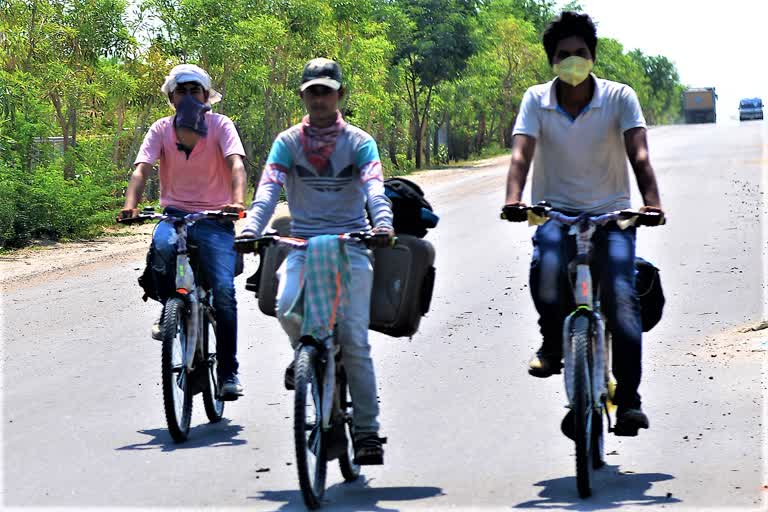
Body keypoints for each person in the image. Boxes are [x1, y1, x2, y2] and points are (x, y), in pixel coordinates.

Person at [502, 11, 664, 435]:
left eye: (580, 53)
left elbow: (640, 154)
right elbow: (521, 153)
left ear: (592, 56)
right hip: (555, 211)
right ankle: (553, 342)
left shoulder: (619, 97)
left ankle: (628, 400)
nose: (572, 60)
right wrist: (513, 199)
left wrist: (652, 202)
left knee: (622, 301)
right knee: (547, 266)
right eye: (563, 55)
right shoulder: (536, 100)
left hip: (612, 217)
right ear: (551, 61)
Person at [239, 58, 393, 464]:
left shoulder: (360, 142)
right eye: (313, 91)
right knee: (287, 308)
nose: (320, 98)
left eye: (327, 90)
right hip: (302, 244)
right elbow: (268, 188)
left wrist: (382, 224)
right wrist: (251, 228)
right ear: (303, 96)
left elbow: (375, 188)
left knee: (355, 343)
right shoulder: (287, 142)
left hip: (352, 244)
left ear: (340, 94)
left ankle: (366, 431)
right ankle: (304, 355)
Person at [120, 64, 248, 400]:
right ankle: (169, 309)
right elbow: (141, 170)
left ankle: (228, 372)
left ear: (206, 97)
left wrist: (236, 201)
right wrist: (130, 204)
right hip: (174, 215)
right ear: (172, 98)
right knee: (161, 249)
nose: (189, 96)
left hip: (215, 218)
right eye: (182, 91)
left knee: (223, 293)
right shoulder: (160, 130)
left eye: (195, 91)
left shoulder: (221, 126)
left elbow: (236, 164)